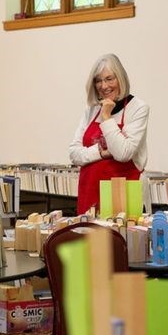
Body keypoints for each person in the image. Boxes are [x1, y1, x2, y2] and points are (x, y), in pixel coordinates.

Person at [69, 53, 149, 214]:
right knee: (90, 238)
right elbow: (74, 154)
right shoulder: (91, 110)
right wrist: (101, 152)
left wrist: (106, 116)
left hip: (124, 197)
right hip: (90, 194)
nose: (104, 86)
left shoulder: (138, 108)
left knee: (119, 239)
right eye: (98, 80)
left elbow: (123, 153)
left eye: (109, 79)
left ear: (120, 78)